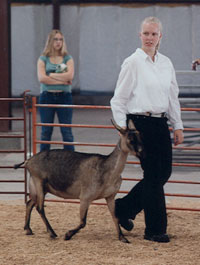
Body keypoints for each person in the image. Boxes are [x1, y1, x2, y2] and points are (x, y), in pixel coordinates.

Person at [110, 17, 184, 243]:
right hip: (140, 125)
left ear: (160, 36)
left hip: (161, 124)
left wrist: (177, 125)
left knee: (164, 173)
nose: (150, 38)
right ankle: (155, 230)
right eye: (146, 33)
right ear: (140, 35)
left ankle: (123, 207)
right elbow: (118, 100)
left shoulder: (166, 63)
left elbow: (172, 97)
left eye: (154, 34)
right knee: (153, 175)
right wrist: (124, 130)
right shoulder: (132, 62)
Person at [37, 29, 74, 152]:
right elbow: (42, 78)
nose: (58, 42)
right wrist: (62, 81)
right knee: (46, 131)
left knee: (66, 131)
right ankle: (43, 162)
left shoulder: (68, 58)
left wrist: (51, 75)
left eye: (61, 39)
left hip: (65, 96)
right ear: (50, 41)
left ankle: (71, 162)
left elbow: (70, 76)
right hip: (47, 96)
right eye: (56, 39)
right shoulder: (43, 59)